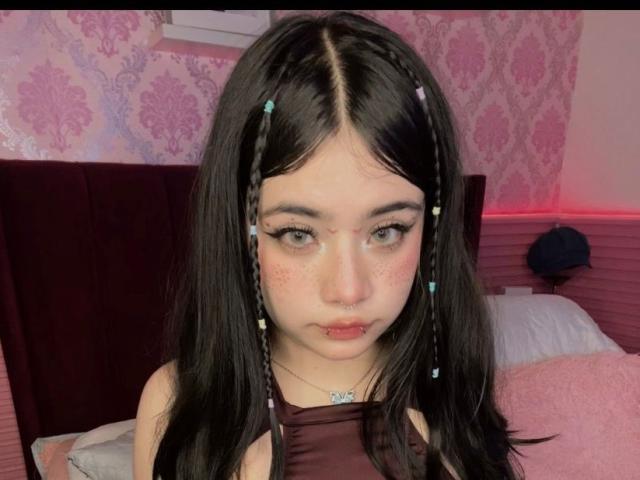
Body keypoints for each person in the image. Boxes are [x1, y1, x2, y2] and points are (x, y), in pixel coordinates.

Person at [133, 11, 557, 480]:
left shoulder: (450, 385)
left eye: (387, 231)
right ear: (239, 227)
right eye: (297, 234)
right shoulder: (179, 401)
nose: (348, 291)